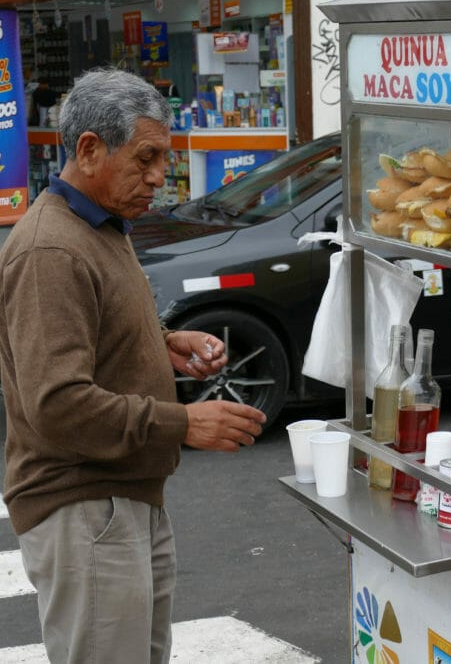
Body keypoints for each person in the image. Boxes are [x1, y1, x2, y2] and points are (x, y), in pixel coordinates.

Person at [0, 67, 267, 663]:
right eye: (145, 158)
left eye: (163, 159)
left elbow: (89, 329)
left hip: (121, 499)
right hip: (85, 507)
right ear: (90, 150)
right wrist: (184, 424)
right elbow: (58, 403)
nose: (158, 177)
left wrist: (163, 340)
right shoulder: (51, 248)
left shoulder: (99, 225)